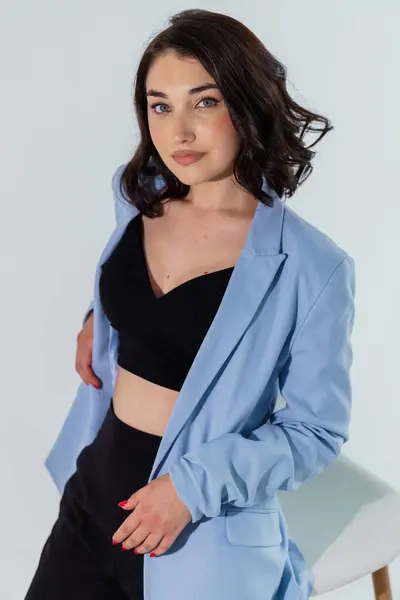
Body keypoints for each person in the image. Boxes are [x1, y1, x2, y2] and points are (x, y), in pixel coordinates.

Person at [24, 8, 356, 600]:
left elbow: (315, 431)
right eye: (160, 105)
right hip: (93, 498)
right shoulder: (138, 195)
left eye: (204, 102)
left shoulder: (314, 266)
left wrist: (189, 489)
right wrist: (97, 322)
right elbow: (137, 298)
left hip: (199, 532)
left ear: (247, 102)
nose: (178, 131)